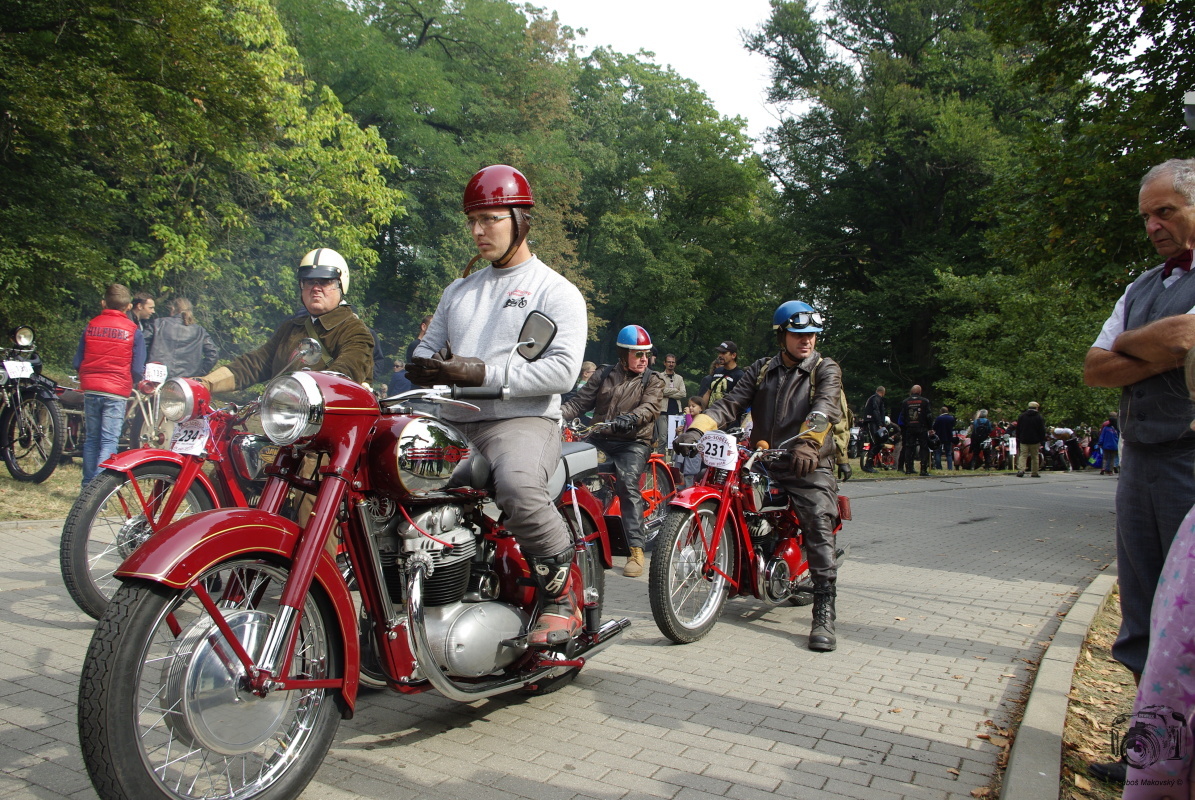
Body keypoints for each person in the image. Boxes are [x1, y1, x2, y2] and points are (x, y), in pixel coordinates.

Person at [406, 165, 587, 648]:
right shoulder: (458, 291)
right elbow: (428, 352)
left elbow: (563, 373)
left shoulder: (556, 290)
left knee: (518, 485)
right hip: (452, 421)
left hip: (522, 421)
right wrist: (420, 364)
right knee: (386, 477)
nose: (478, 231)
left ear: (520, 219)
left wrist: (478, 371)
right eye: (473, 221)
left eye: (489, 218)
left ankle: (560, 597)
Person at [1083, 158, 1195, 785]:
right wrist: (1155, 347)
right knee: (1144, 612)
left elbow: (1185, 339)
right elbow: (1095, 367)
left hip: (1191, 461)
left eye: (1166, 211)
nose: (1152, 225)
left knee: (1192, 612)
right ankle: (1152, 754)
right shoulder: (1142, 285)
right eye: (1146, 215)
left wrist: (1138, 344)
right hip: (1141, 465)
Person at [674, 300, 843, 652]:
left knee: (817, 518)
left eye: (811, 334)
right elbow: (729, 404)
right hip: (765, 459)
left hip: (806, 461)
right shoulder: (762, 369)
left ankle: (824, 606)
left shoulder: (824, 369)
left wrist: (810, 445)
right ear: (782, 335)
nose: (807, 340)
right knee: (734, 497)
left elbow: (824, 408)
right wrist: (697, 430)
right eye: (798, 334)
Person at [561, 325, 665, 578]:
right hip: (601, 437)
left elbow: (650, 407)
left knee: (628, 485)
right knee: (566, 473)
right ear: (623, 354)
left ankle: (636, 550)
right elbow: (578, 402)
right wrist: (556, 416)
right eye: (637, 354)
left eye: (646, 354)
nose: (643, 359)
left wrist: (630, 418)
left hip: (633, 442)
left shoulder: (653, 379)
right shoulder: (603, 374)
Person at [198, 248, 375, 392]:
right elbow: (254, 364)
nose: (315, 288)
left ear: (341, 285)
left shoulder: (355, 331)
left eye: (324, 281)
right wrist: (204, 384)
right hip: (281, 425)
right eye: (308, 282)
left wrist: (293, 395)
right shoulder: (291, 328)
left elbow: (344, 375)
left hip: (328, 428)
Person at [74, 284, 146, 486]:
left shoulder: (91, 325)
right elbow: (138, 368)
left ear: (103, 303)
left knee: (92, 440)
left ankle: (87, 486)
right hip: (116, 391)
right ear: (129, 306)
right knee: (109, 440)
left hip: (91, 389)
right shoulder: (133, 331)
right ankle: (96, 493)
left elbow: (77, 361)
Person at [146, 297, 218, 379]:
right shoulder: (200, 331)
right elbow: (213, 354)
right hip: (187, 379)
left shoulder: (158, 323)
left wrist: (144, 367)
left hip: (156, 376)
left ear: (173, 309)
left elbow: (141, 346)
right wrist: (199, 372)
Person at [656, 353, 687, 454]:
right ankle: (661, 461)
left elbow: (683, 393)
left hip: (676, 412)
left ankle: (673, 461)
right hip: (662, 411)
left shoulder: (679, 378)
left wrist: (667, 392)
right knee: (663, 438)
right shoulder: (659, 376)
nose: (671, 364)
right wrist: (674, 390)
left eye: (673, 362)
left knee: (674, 438)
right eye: (669, 362)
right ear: (664, 363)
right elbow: (660, 391)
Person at [898, 385, 931, 476]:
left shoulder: (905, 402)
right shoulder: (925, 401)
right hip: (922, 427)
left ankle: (908, 468)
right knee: (924, 448)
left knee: (909, 447)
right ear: (920, 392)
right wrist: (930, 427)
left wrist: (907, 424)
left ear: (911, 392)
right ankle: (923, 469)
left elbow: (903, 416)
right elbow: (928, 416)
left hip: (910, 428)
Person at [700, 341, 745, 408]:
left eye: (724, 353)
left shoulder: (740, 375)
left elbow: (740, 400)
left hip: (726, 415)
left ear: (733, 355)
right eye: (719, 352)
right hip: (710, 413)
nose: (720, 355)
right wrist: (701, 410)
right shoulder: (718, 370)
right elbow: (708, 392)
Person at [674, 396, 706, 488]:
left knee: (689, 476)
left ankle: (688, 495)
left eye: (693, 406)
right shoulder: (688, 418)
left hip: (693, 453)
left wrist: (688, 415)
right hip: (683, 454)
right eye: (689, 406)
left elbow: (692, 428)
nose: (690, 408)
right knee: (680, 476)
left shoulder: (701, 420)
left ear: (701, 408)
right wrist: (678, 432)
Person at [1014, 401, 1046, 478]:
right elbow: (1042, 430)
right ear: (1036, 408)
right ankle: (1034, 472)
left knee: (1023, 455)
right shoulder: (1039, 417)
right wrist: (1041, 439)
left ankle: (1021, 470)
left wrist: (1019, 437)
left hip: (1024, 439)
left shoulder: (1022, 416)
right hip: (1035, 440)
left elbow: (1018, 428)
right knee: (1035, 456)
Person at [862, 386, 886, 473]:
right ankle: (868, 464)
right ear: (883, 392)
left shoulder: (872, 398)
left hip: (872, 422)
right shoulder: (876, 399)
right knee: (875, 443)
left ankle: (869, 464)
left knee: (877, 443)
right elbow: (876, 411)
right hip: (872, 422)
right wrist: (880, 424)